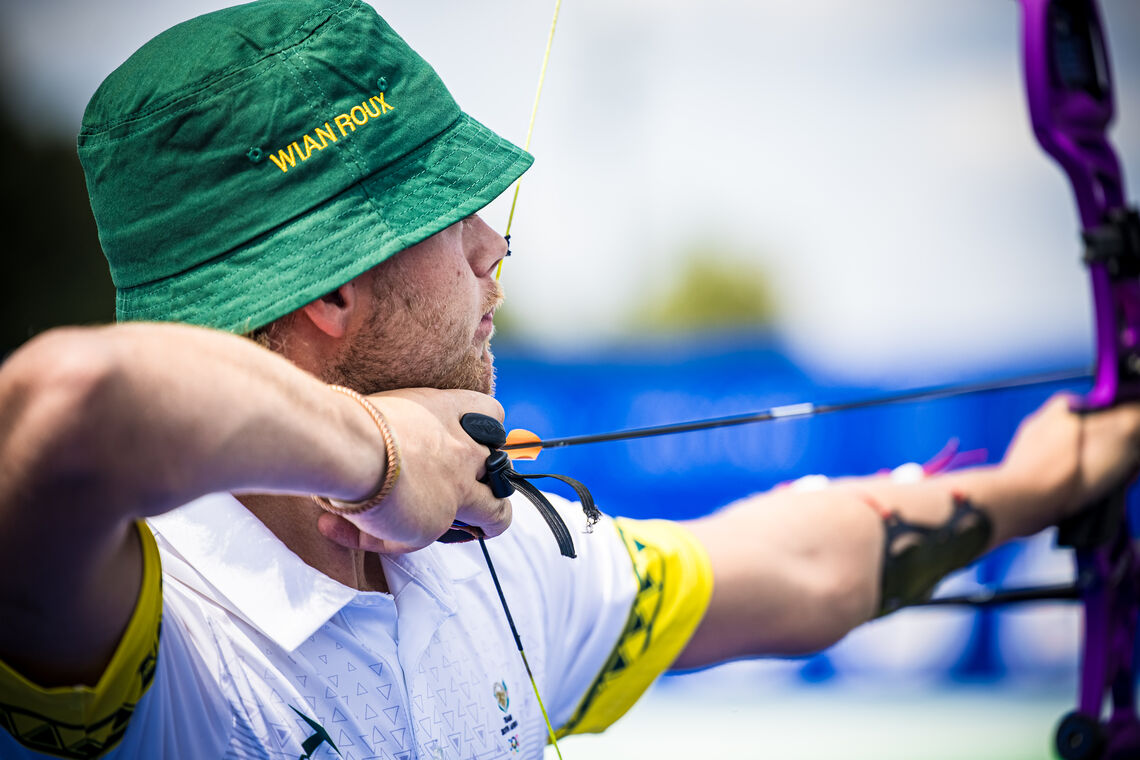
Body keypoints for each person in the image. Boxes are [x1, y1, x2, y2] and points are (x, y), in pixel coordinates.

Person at [1, 1, 1137, 758]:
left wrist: (1042, 479)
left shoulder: (487, 563)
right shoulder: (130, 631)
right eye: (449, 218)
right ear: (330, 293)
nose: (495, 248)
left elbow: (795, 560)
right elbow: (67, 406)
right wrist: (380, 454)